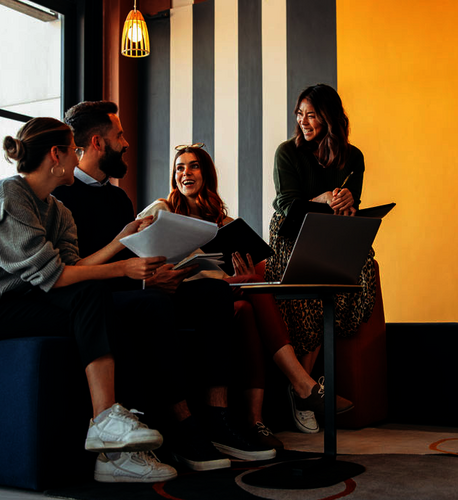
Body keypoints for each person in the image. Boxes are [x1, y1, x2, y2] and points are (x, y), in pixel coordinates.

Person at [0, 117, 177, 484]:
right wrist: (122, 268)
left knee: (109, 308)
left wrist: (120, 241)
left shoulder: (58, 210)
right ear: (56, 155)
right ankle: (106, 420)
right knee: (94, 294)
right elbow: (57, 276)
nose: (79, 158)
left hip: (22, 302)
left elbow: (72, 267)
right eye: (74, 151)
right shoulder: (7, 197)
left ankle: (115, 454)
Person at [53, 101, 276, 470]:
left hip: (135, 287)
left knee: (213, 293)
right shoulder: (61, 196)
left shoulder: (117, 197)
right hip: (95, 297)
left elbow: (140, 253)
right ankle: (184, 428)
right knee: (154, 304)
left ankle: (217, 419)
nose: (126, 143)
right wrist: (144, 280)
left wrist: (158, 274)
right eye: (119, 135)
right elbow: (76, 270)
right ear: (97, 142)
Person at [138, 144, 349, 441]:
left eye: (194, 166)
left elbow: (251, 270)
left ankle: (255, 420)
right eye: (180, 168)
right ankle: (302, 385)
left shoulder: (223, 223)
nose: (186, 172)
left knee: (251, 297)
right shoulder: (163, 209)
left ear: (206, 174)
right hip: (180, 294)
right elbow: (135, 245)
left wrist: (241, 277)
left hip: (219, 294)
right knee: (250, 292)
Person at [265, 83, 377, 429]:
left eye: (311, 115)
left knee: (362, 272)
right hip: (292, 235)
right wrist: (325, 198)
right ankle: (305, 391)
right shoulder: (287, 152)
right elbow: (287, 205)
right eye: (300, 114)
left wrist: (348, 204)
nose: (304, 121)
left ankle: (302, 388)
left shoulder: (352, 156)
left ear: (329, 118)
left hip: (332, 233)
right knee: (315, 293)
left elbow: (351, 205)